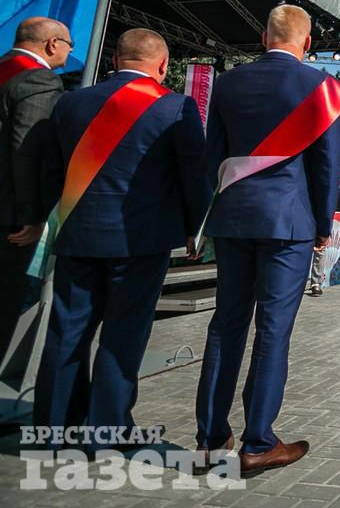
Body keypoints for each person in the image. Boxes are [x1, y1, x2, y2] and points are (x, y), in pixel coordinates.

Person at [33, 29, 209, 451]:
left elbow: (49, 170)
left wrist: (48, 221)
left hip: (77, 234)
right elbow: (194, 175)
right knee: (123, 334)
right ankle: (107, 431)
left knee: (66, 330)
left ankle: (53, 430)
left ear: (114, 59)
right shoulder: (175, 107)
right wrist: (196, 228)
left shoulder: (71, 102)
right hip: (140, 242)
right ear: (163, 65)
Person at [194, 5, 340, 473]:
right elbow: (326, 165)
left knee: (225, 325)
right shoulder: (320, 88)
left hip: (233, 219)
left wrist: (205, 217)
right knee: (273, 330)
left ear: (264, 38)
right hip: (289, 223)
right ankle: (258, 442)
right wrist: (323, 224)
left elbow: (212, 157)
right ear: (308, 43)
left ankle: (210, 439)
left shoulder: (227, 84)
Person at [0, 17, 69, 365]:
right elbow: (27, 149)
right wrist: (32, 215)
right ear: (52, 44)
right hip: (9, 219)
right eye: (69, 44)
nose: (69, 52)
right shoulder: (38, 80)